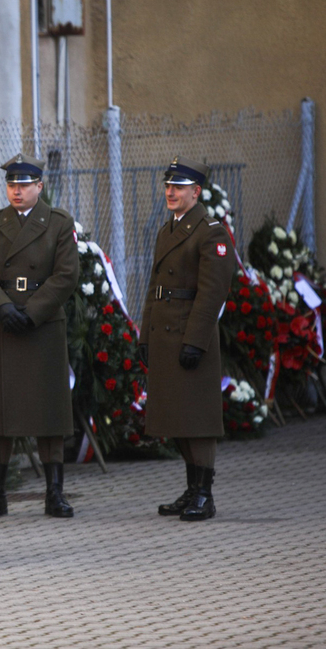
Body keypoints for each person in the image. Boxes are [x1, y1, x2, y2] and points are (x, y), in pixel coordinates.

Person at [0, 153, 80, 520]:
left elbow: (66, 275)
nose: (16, 192)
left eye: (24, 185)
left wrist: (31, 313)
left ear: (39, 186)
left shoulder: (58, 223)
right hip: (4, 323)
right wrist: (1, 308)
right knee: (0, 412)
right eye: (12, 185)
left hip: (42, 324)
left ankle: (54, 493)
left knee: (49, 410)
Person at [138, 156, 236, 521]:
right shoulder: (168, 229)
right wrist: (145, 333)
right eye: (168, 186)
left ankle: (205, 494)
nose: (170, 192)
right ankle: (191, 489)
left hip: (191, 335)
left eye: (178, 187)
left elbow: (212, 293)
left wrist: (195, 340)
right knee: (173, 417)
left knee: (197, 419)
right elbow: (155, 287)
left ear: (196, 192)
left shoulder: (210, 230)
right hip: (164, 333)